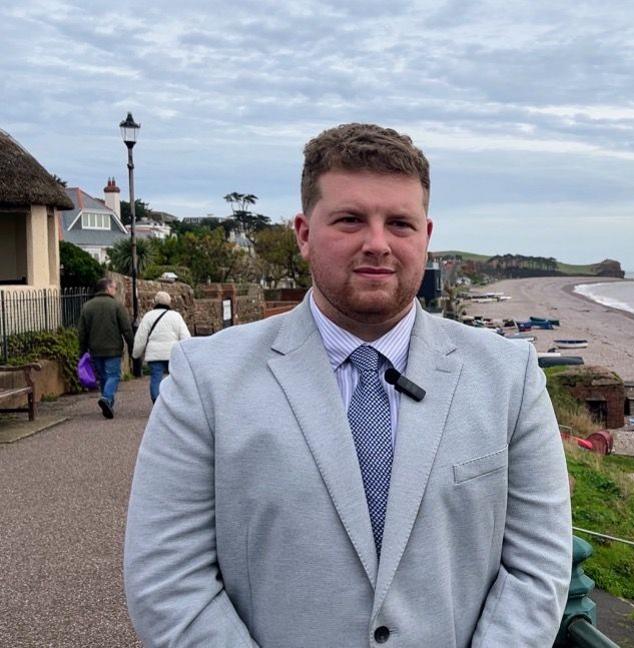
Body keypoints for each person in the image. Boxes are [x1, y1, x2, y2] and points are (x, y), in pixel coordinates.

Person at [124, 124, 573, 647]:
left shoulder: (509, 377)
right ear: (304, 233)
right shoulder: (206, 380)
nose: (377, 243)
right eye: (351, 220)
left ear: (426, 236)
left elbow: (537, 569)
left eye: (399, 223)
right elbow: (167, 579)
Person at [78, 277, 133, 419]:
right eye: (114, 288)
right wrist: (132, 346)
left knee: (103, 377)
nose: (115, 290)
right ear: (108, 288)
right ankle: (107, 399)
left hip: (95, 349)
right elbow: (126, 329)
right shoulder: (117, 306)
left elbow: (82, 332)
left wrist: (82, 351)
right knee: (113, 375)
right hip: (113, 348)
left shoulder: (87, 306)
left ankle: (108, 404)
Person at [131, 291, 191, 403]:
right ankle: (172, 402)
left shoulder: (148, 316)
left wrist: (136, 353)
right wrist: (189, 353)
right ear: (169, 302)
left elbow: (141, 337)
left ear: (155, 302)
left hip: (154, 355)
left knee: (155, 379)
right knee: (174, 379)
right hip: (172, 354)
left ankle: (157, 402)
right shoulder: (176, 316)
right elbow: (185, 337)